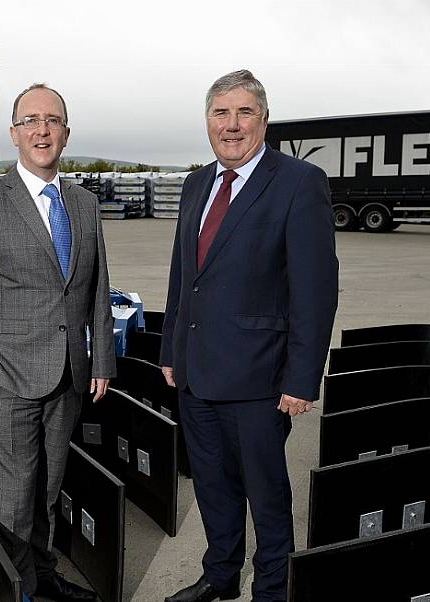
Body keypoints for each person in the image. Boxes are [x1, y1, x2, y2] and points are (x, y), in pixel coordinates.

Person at [160, 70, 338, 602]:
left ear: (264, 119)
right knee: (213, 490)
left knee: (266, 496)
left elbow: (315, 289)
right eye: (220, 113)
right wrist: (172, 348)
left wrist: (302, 378)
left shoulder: (298, 183)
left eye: (243, 113)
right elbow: (182, 277)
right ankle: (219, 576)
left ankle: (270, 590)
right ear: (207, 122)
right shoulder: (196, 183)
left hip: (261, 378)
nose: (231, 125)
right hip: (196, 376)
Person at [0, 83, 115, 602]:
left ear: (66, 132)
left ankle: (42, 579)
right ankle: (13, 591)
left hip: (68, 376)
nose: (42, 130)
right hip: (7, 382)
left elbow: (96, 289)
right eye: (31, 121)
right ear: (15, 132)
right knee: (11, 501)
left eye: (53, 120)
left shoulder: (83, 203)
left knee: (47, 490)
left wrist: (100, 361)